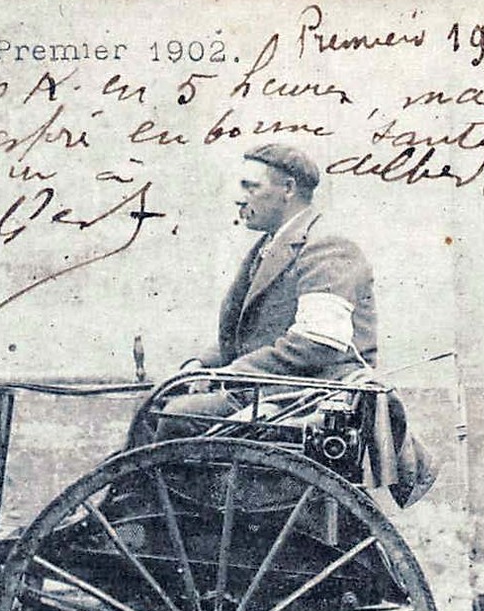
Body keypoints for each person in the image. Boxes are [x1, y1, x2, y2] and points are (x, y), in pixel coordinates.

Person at [157, 143, 376, 437]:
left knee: (176, 417)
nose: (239, 199)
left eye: (251, 187)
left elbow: (317, 343)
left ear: (288, 188)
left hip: (307, 397)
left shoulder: (327, 246)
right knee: (156, 401)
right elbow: (248, 333)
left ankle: (166, 485)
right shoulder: (270, 245)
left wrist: (230, 374)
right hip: (273, 388)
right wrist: (201, 365)